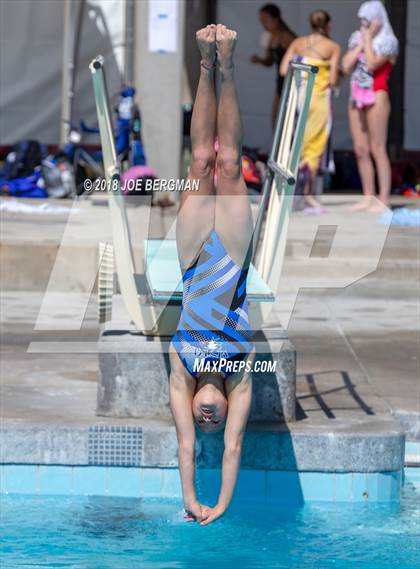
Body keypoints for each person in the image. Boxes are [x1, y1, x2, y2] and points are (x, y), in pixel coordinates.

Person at [169, 24, 255, 526]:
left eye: (203, 421)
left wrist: (192, 497)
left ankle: (206, 63)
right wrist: (222, 503)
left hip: (195, 261)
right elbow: (234, 446)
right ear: (223, 411)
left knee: (201, 163)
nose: (206, 420)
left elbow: (185, 445)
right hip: (234, 258)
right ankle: (229, 65)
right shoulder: (242, 378)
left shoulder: (180, 377)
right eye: (213, 422)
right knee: (229, 165)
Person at [280, 10, 341, 213]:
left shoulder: (298, 43)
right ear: (328, 25)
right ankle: (307, 195)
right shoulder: (333, 47)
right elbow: (333, 81)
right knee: (314, 148)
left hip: (298, 99)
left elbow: (283, 69)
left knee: (297, 145)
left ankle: (292, 192)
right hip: (319, 101)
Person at [341, 0, 398, 212]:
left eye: (367, 20)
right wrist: (361, 41)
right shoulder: (357, 38)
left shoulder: (389, 41)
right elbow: (345, 66)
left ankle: (384, 198)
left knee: (377, 148)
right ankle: (368, 196)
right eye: (362, 20)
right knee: (360, 149)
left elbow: (373, 64)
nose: (363, 23)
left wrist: (368, 37)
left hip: (377, 94)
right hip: (357, 96)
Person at [250, 4, 296, 127]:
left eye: (265, 20)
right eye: (261, 21)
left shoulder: (287, 37)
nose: (263, 24)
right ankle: (278, 145)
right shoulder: (270, 37)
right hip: (280, 81)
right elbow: (270, 61)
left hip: (291, 82)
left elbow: (301, 58)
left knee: (287, 120)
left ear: (276, 18)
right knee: (275, 119)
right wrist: (260, 60)